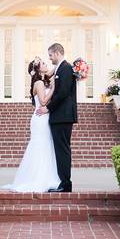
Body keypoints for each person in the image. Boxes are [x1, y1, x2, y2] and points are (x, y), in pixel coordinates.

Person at [0, 57, 61, 192]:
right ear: (38, 69)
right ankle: (37, 178)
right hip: (40, 118)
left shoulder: (43, 79)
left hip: (45, 117)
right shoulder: (39, 83)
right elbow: (44, 102)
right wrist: (53, 88)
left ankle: (48, 176)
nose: (46, 64)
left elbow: (55, 69)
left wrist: (76, 68)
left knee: (46, 145)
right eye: (43, 63)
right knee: (40, 145)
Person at [37, 42, 76, 192]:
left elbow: (63, 93)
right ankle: (64, 182)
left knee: (62, 150)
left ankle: (65, 184)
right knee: (61, 150)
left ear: (57, 53)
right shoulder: (61, 68)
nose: (50, 58)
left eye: (51, 55)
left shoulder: (65, 68)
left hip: (63, 116)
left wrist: (48, 108)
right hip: (61, 116)